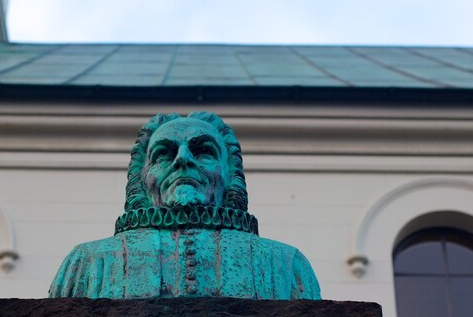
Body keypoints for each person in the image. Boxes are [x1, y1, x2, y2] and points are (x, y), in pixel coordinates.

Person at [49, 112, 321, 299]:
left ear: (230, 175)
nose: (183, 160)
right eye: (163, 154)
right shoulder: (88, 262)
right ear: (142, 178)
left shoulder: (286, 265)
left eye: (203, 150)